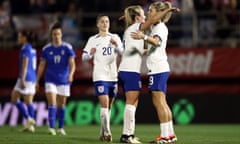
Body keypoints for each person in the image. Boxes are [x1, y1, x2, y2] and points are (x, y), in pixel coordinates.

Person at [118, 4, 179, 144]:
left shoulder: (156, 28)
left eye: (150, 11)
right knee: (157, 103)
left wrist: (166, 11)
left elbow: (156, 42)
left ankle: (166, 135)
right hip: (133, 70)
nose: (147, 15)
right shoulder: (139, 28)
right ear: (137, 18)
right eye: (143, 14)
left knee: (159, 103)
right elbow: (150, 27)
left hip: (154, 68)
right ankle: (129, 135)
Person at [82, 14, 123, 142]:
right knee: (104, 105)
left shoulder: (115, 37)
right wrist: (90, 54)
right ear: (98, 24)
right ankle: (107, 132)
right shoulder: (93, 39)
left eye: (107, 21)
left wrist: (116, 45)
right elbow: (83, 57)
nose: (105, 24)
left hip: (113, 76)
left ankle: (102, 131)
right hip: (100, 75)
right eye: (102, 22)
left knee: (109, 107)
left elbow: (123, 52)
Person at [36, 21, 76, 135]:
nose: (56, 36)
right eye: (54, 34)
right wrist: (37, 80)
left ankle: (61, 128)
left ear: (61, 34)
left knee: (62, 104)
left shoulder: (67, 47)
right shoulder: (46, 49)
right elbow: (42, 65)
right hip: (50, 79)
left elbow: (72, 63)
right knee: (52, 103)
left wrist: (71, 74)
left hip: (64, 80)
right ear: (51, 35)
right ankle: (51, 127)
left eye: (58, 34)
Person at [11, 31, 37, 132]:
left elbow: (25, 65)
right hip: (32, 77)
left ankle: (29, 119)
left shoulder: (26, 48)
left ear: (24, 38)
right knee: (28, 101)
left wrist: (22, 79)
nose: (18, 38)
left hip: (26, 77)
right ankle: (30, 125)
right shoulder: (31, 48)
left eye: (20, 36)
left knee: (14, 97)